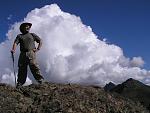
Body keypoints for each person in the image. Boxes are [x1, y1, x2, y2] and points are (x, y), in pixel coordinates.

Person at [11, 22, 44, 88]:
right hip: (22, 53)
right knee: (21, 68)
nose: (28, 27)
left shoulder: (32, 35)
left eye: (28, 26)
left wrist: (38, 49)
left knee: (34, 65)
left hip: (31, 52)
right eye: (26, 26)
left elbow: (40, 40)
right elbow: (15, 43)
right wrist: (13, 49)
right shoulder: (19, 36)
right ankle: (20, 83)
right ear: (22, 28)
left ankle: (40, 81)